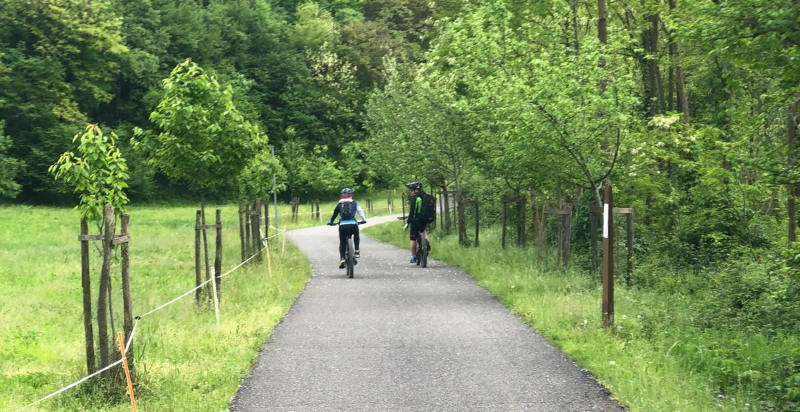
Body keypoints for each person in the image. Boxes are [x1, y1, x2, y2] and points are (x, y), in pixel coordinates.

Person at [328, 188, 367, 268]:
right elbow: (360, 212)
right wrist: (363, 220)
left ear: (342, 196)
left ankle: (342, 258)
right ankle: (357, 250)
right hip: (353, 225)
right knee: (356, 236)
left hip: (343, 226)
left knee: (342, 242)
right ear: (351, 195)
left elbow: (334, 215)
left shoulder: (339, 205)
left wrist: (330, 222)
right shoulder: (354, 203)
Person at [405, 182, 435, 263]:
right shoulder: (427, 197)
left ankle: (413, 256)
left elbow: (412, 212)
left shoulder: (415, 198)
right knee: (423, 231)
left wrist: (408, 222)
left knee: (413, 238)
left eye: (411, 190)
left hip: (415, 221)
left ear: (415, 190)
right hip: (425, 220)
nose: (410, 192)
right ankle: (426, 243)